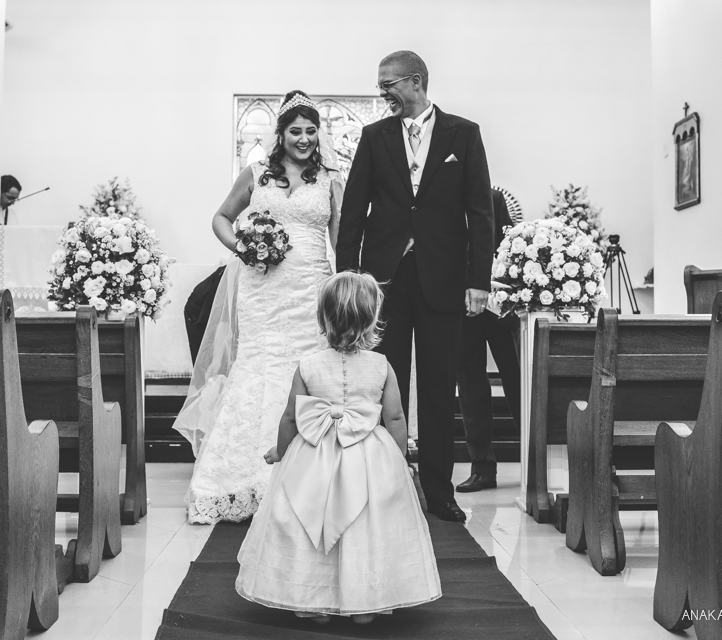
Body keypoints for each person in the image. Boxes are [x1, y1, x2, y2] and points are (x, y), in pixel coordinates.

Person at [336, 51, 493, 522]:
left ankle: (439, 492)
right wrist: (349, 278)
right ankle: (386, 487)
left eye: (388, 85)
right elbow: (355, 211)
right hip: (384, 282)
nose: (382, 93)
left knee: (442, 387)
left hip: (444, 279)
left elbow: (480, 213)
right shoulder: (373, 136)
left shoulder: (463, 134)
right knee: (385, 385)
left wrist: (478, 281)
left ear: (416, 81)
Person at [172, 90, 343, 524]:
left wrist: (343, 288)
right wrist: (244, 248)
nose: (303, 139)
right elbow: (221, 218)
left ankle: (308, 476)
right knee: (259, 366)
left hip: (311, 288)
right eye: (294, 131)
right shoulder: (256, 174)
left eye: (310, 131)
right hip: (262, 287)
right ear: (281, 134)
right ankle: (237, 476)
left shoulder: (331, 179)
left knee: (305, 367)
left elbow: (341, 241)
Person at [236, 272, 441, 623]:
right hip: (368, 455)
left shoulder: (308, 365)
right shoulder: (382, 365)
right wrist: (399, 459)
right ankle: (364, 602)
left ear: (322, 317)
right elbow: (394, 418)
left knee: (306, 515)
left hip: (314, 453)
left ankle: (310, 599)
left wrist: (281, 451)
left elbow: (290, 417)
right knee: (367, 523)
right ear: (372, 317)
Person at [455, 189, 521, 493]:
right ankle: (482, 466)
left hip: (497, 305)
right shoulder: (438, 196)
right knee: (470, 384)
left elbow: (509, 247)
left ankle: (534, 459)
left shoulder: (492, 198)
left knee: (517, 377)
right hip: (458, 306)